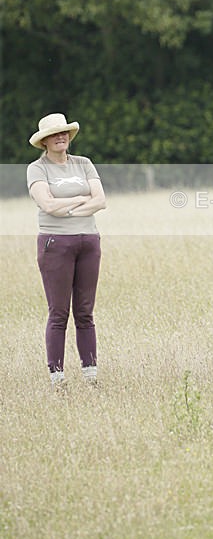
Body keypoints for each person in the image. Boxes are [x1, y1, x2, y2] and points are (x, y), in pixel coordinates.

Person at [27, 113, 106, 389]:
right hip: (55, 244)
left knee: (85, 312)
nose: (61, 137)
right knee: (59, 312)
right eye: (54, 134)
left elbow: (101, 200)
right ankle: (57, 377)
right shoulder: (37, 169)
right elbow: (47, 205)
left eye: (64, 133)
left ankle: (90, 374)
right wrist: (80, 201)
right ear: (44, 141)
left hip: (88, 242)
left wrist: (67, 206)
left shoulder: (84, 164)